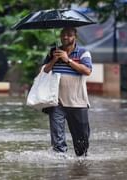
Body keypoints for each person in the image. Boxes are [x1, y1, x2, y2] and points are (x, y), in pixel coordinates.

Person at [42, 27, 92, 157]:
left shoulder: (83, 53)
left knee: (81, 143)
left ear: (75, 36)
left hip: (78, 102)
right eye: (63, 34)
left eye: (69, 35)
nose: (65, 37)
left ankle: (80, 169)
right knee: (58, 140)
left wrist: (67, 60)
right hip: (56, 102)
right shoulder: (53, 51)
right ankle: (60, 167)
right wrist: (54, 59)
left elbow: (87, 71)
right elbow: (44, 71)